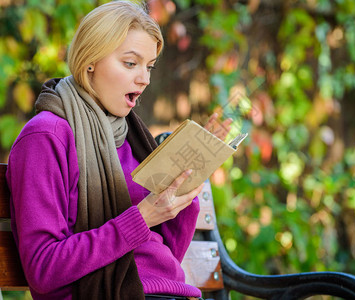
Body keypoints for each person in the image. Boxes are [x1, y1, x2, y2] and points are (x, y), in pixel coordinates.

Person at [5, 1, 232, 300]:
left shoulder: (131, 136)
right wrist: (142, 217)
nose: (145, 78)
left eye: (149, 66)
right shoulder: (45, 137)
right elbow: (44, 269)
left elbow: (164, 257)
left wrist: (188, 181)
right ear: (90, 61)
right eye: (130, 63)